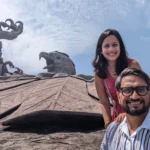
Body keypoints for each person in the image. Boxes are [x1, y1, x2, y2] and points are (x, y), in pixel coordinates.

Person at [92, 29, 141, 128]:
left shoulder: (132, 65)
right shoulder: (99, 74)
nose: (111, 49)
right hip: (118, 118)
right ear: (100, 50)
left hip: (138, 113)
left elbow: (143, 93)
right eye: (106, 46)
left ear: (120, 47)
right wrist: (108, 124)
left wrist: (129, 115)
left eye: (114, 45)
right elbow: (104, 103)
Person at [100, 68, 150, 150]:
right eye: (127, 90)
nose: (134, 96)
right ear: (119, 96)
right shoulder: (112, 130)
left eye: (141, 89)